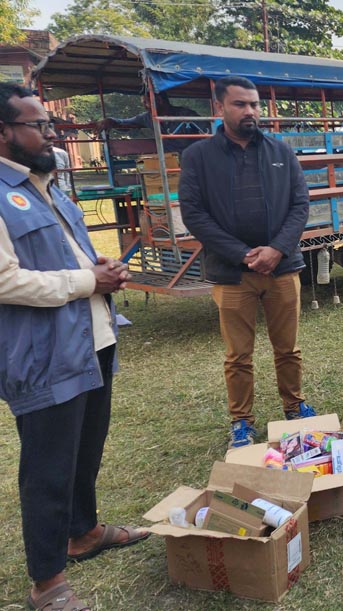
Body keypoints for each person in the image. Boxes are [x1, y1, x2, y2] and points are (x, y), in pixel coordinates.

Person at [0, 82, 150, 611]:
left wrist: (105, 270)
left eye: (47, 124)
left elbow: (78, 257)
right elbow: (3, 280)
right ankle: (47, 584)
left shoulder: (48, 186)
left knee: (86, 449)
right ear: (3, 132)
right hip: (44, 355)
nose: (49, 132)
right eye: (37, 125)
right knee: (48, 467)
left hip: (94, 339)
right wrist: (88, 282)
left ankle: (83, 532)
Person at [179, 76, 314, 449]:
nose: (251, 111)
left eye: (254, 104)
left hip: (282, 268)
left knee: (288, 348)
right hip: (232, 274)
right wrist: (242, 254)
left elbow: (300, 205)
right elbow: (194, 214)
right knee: (238, 354)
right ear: (219, 107)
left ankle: (294, 404)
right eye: (241, 104)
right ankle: (242, 421)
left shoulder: (280, 152)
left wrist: (277, 249)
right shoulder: (198, 157)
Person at [96, 92, 203, 155]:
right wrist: (110, 120)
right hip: (169, 160)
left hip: (192, 158)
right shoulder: (147, 117)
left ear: (159, 100)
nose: (145, 106)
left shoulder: (186, 114)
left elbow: (207, 130)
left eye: (146, 102)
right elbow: (125, 123)